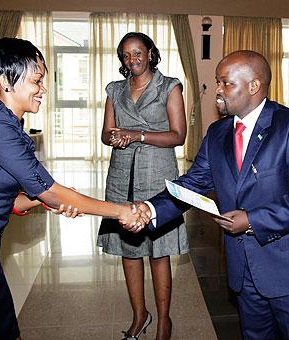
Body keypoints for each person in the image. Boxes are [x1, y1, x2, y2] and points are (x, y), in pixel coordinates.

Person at [0, 37, 141, 339]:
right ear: (6, 81)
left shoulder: (4, 124)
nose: (43, 89)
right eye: (37, 80)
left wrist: (45, 201)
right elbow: (52, 192)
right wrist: (121, 210)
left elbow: (12, 202)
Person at [131, 50, 289, 340]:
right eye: (217, 82)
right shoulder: (218, 133)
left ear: (253, 86)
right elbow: (194, 182)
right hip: (243, 269)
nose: (218, 91)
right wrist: (152, 208)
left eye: (226, 83)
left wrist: (253, 220)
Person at [97, 32, 188, 340]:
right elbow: (105, 134)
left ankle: (164, 320)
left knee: (158, 252)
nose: (132, 59)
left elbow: (178, 136)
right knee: (129, 251)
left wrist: (136, 134)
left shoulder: (170, 86)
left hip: (157, 176)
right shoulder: (114, 90)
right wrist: (116, 136)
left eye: (137, 53)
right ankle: (140, 316)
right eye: (125, 55)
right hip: (122, 177)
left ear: (150, 52)